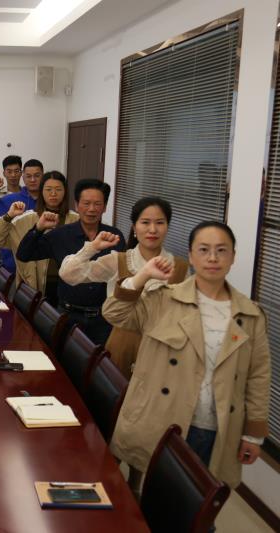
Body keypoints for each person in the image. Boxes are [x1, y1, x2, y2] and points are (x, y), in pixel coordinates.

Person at [102, 221, 270, 491]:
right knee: (150, 499)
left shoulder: (250, 315)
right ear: (191, 256)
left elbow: (258, 375)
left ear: (233, 257)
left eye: (221, 250)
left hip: (215, 429)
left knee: (198, 502)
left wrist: (253, 434)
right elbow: (115, 314)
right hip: (162, 421)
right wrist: (142, 276)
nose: (212, 258)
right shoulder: (163, 299)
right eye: (203, 249)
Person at [59, 197, 188, 378]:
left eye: (160, 222)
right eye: (145, 222)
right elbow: (68, 274)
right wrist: (92, 247)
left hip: (163, 351)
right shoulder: (118, 261)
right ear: (134, 227)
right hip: (122, 346)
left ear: (167, 226)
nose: (152, 229)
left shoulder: (180, 267)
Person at [16, 179, 125, 345]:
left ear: (104, 207)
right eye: (86, 203)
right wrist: (38, 228)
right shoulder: (61, 235)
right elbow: (24, 254)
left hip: (103, 320)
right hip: (68, 317)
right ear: (77, 205)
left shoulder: (114, 236)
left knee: (102, 361)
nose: (91, 209)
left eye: (97, 204)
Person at [0, 171, 78, 306]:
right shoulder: (27, 219)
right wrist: (9, 216)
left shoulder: (76, 220)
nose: (53, 194)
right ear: (41, 192)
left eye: (58, 189)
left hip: (68, 289)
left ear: (65, 192)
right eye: (48, 189)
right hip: (33, 289)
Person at [0, 159, 43, 276]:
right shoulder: (10, 200)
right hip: (12, 266)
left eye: (37, 176)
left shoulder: (50, 202)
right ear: (23, 177)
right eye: (28, 176)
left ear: (43, 176)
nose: (33, 180)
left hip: (43, 268)